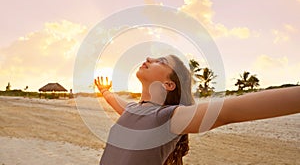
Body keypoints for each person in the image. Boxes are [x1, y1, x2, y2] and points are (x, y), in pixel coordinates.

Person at [94, 55, 300, 165]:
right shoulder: (132, 110)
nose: (149, 58)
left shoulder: (169, 118)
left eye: (161, 61)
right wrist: (105, 92)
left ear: (168, 84)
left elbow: (228, 112)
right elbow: (114, 99)